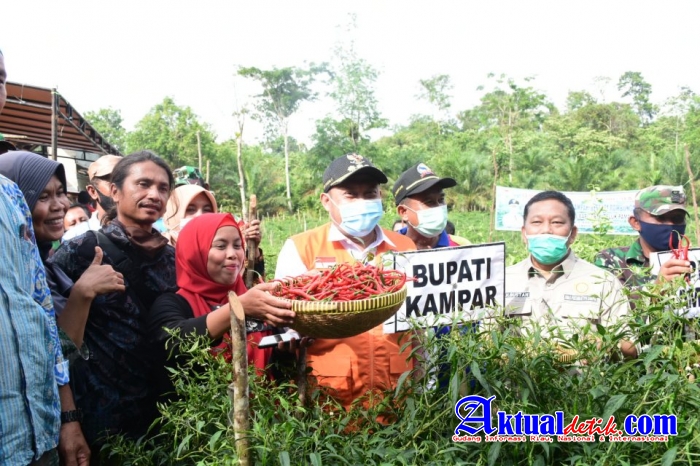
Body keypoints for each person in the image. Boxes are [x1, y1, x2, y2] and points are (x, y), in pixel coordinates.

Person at [49, 150, 177, 454]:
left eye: (162, 188)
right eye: (143, 184)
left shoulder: (173, 258)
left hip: (166, 414)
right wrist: (69, 420)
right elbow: (53, 343)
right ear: (115, 192)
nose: (154, 194)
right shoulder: (82, 251)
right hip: (101, 419)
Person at [0, 48, 89, 466]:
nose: (56, 206)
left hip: (38, 438)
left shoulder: (9, 197)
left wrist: (67, 418)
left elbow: (44, 333)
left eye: (0, 77)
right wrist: (84, 295)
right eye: (45, 196)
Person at [275, 153, 416, 410]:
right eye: (351, 194)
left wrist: (423, 381)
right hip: (332, 394)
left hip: (397, 389)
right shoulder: (300, 247)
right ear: (326, 202)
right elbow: (286, 321)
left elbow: (419, 324)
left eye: (370, 193)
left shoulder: (405, 246)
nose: (362, 201)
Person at [149, 213, 296, 394]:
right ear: (195, 252)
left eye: (237, 245)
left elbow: (275, 370)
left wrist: (284, 354)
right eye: (220, 246)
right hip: (209, 420)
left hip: (266, 418)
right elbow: (174, 342)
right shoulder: (173, 303)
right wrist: (237, 308)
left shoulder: (253, 298)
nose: (232, 254)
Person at [504, 190, 636, 358]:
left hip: (583, 383)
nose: (546, 230)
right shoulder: (503, 281)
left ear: (572, 234)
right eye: (537, 222)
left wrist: (603, 344)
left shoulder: (602, 282)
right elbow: (486, 340)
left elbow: (630, 346)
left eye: (557, 222)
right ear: (524, 233)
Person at [594, 185, 690, 288]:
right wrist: (657, 289)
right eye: (660, 218)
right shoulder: (612, 259)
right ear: (636, 223)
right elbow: (612, 300)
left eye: (677, 218)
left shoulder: (693, 260)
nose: (670, 224)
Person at [163, 183, 266, 279]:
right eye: (190, 209)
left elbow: (250, 286)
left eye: (207, 210)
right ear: (172, 214)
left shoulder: (221, 248)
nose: (200, 216)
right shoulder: (160, 256)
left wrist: (254, 248)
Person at [393, 162, 470, 249]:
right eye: (429, 202)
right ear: (404, 212)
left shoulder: (461, 247)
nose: (438, 207)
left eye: (441, 200)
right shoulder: (386, 251)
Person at [86, 154, 122, 230]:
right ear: (93, 192)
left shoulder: (150, 231)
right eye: (112, 182)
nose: (121, 188)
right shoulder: (77, 237)